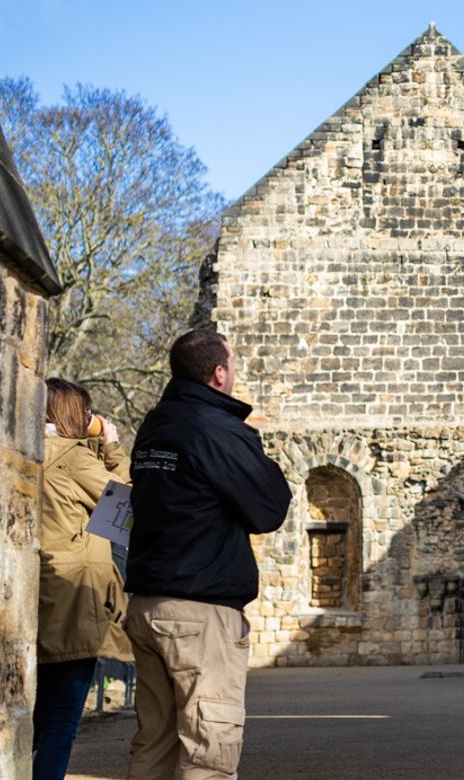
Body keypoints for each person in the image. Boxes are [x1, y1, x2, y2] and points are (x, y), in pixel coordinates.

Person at [126, 328, 291, 779]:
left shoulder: (156, 423)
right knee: (208, 750)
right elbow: (269, 507)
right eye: (233, 364)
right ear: (219, 373)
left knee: (154, 748)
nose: (235, 372)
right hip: (198, 611)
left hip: (148, 604)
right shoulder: (215, 428)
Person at [34, 379, 134, 780]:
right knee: (61, 721)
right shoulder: (73, 458)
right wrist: (111, 444)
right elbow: (127, 499)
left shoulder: (31, 452)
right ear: (73, 413)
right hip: (73, 599)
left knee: (37, 717)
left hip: (40, 590)